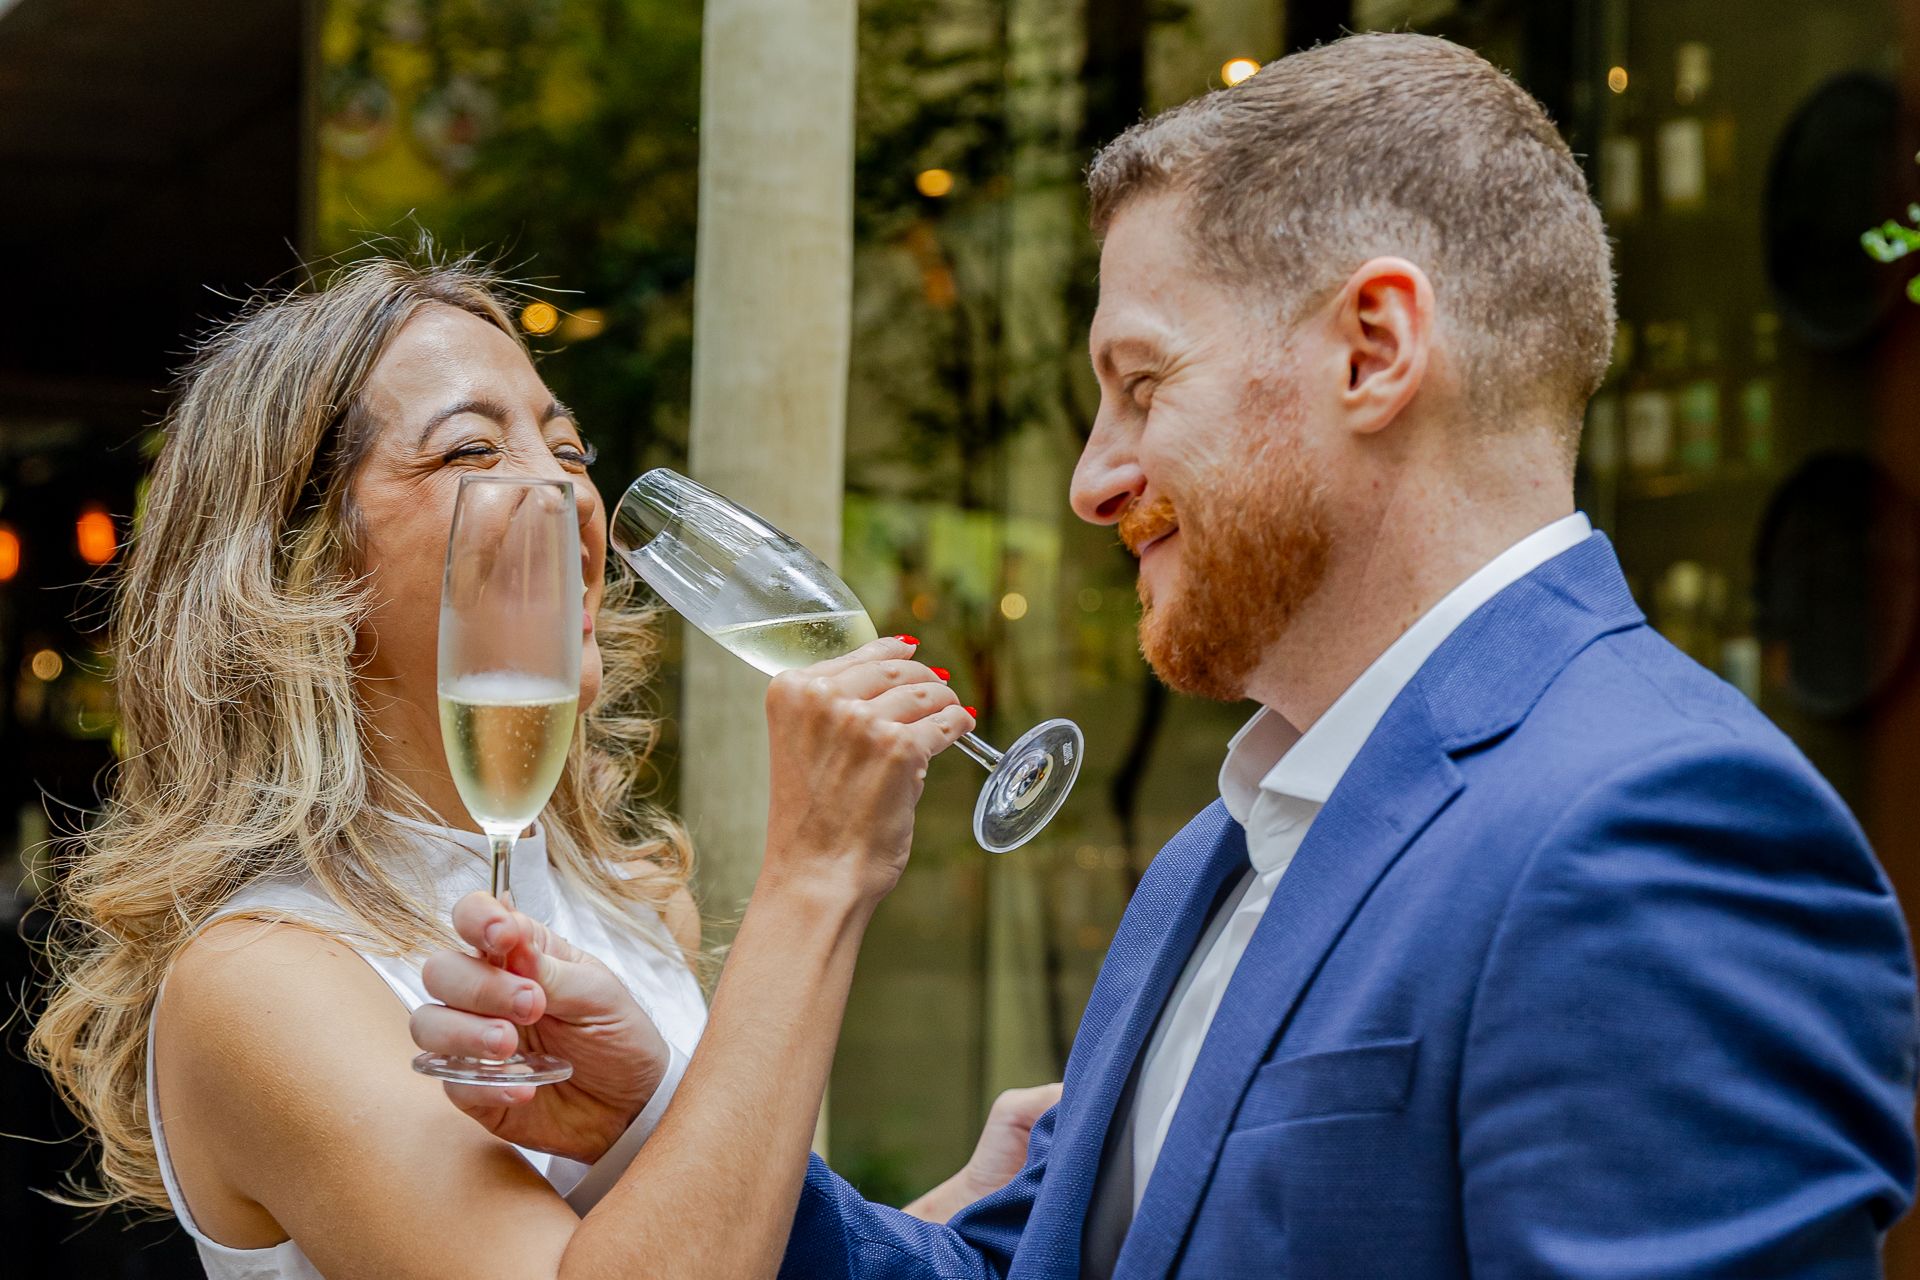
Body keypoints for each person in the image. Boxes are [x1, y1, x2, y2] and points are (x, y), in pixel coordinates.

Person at [410, 32, 1919, 1278]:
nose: (1089, 479)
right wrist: (656, 1115)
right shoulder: (1213, 854)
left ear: (1373, 351)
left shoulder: (1661, 829)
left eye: (1140, 385)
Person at [29, 252, 1055, 1279]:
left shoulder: (636, 905)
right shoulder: (262, 976)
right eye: (472, 449)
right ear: (302, 564)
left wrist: (964, 1213)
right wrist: (815, 874)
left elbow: (710, 1243)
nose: (561, 491)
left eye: (568, 448)